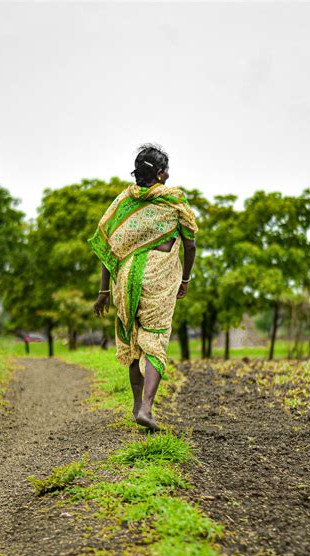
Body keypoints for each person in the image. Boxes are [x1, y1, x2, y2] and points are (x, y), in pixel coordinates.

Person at [90, 143, 197, 431]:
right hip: (158, 278)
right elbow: (190, 243)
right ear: (161, 174)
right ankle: (147, 409)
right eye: (166, 170)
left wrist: (103, 292)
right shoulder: (174, 202)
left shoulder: (123, 202)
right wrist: (185, 279)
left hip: (125, 281)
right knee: (156, 341)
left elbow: (108, 250)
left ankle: (136, 404)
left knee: (132, 340)